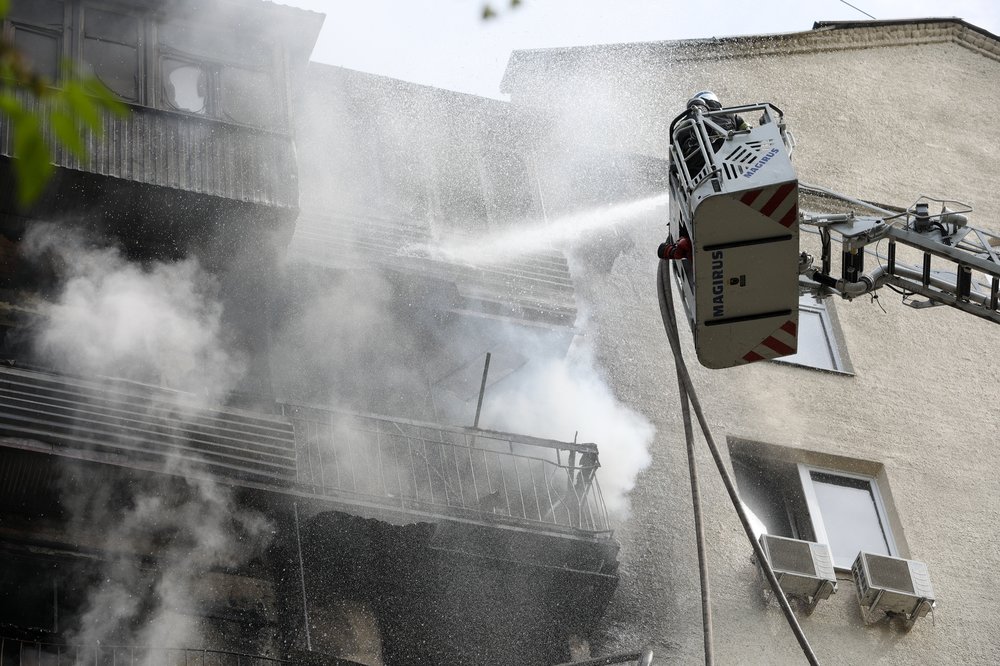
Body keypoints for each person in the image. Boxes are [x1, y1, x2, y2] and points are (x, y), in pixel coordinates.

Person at [676, 90, 749, 178]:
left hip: (700, 172)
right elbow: (748, 130)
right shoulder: (730, 115)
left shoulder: (682, 124)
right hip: (740, 162)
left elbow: (676, 151)